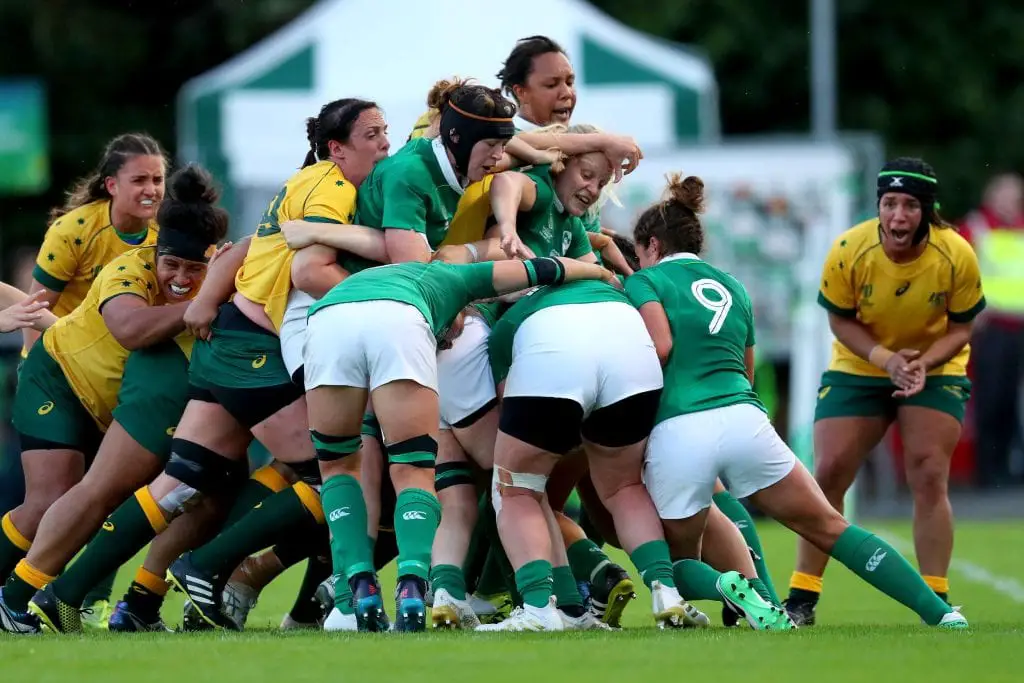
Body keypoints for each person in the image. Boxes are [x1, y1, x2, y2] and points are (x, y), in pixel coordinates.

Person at [45, 99, 390, 635]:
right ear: (335, 147)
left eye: (386, 132)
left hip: (231, 338)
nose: (385, 144)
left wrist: (208, 301)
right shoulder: (331, 188)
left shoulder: (319, 180)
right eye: (373, 134)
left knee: (181, 483)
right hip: (248, 346)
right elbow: (307, 260)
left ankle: (80, 596)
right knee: (336, 469)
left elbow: (251, 247)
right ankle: (208, 568)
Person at [309, 253, 618, 633]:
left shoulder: (369, 279)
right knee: (428, 473)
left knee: (338, 467)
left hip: (326, 320)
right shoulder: (448, 278)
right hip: (401, 321)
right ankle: (414, 586)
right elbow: (541, 269)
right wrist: (600, 270)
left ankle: (353, 595)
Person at [748, 158, 983, 627]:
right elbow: (840, 320)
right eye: (889, 203)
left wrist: (921, 363)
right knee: (829, 472)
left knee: (928, 469)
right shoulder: (849, 248)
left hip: (933, 368)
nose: (898, 216)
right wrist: (887, 361)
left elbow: (963, 327)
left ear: (927, 211)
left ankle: (936, 598)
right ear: (878, 205)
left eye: (910, 206)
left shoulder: (955, 252)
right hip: (862, 366)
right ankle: (803, 597)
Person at [0, 165, 227, 635]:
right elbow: (131, 329)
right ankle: (13, 598)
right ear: (155, 252)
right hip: (59, 380)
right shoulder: (128, 267)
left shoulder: (217, 273)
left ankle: (110, 602)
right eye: (171, 265)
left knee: (194, 495)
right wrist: (198, 306)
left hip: (112, 398)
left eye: (194, 269)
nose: (181, 278)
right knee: (50, 498)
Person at [22, 133, 165, 353]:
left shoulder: (168, 231)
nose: (151, 190)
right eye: (139, 180)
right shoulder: (73, 230)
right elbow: (33, 310)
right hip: (66, 357)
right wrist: (32, 367)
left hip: (131, 357)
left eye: (157, 180)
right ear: (112, 185)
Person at [959, 173, 1024, 488]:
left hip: (1020, 327)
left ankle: (1009, 466)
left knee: (1014, 401)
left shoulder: (1020, 227)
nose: (1010, 203)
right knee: (991, 398)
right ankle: (988, 468)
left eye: (1014, 196)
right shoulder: (979, 227)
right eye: (1004, 196)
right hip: (992, 327)